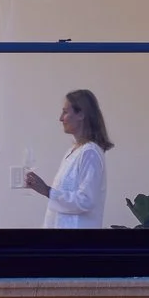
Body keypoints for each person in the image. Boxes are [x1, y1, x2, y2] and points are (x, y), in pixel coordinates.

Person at [23, 88, 113, 230]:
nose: (60, 118)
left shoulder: (90, 153)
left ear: (81, 114)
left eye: (65, 112)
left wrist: (47, 190)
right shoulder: (73, 152)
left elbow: (86, 201)